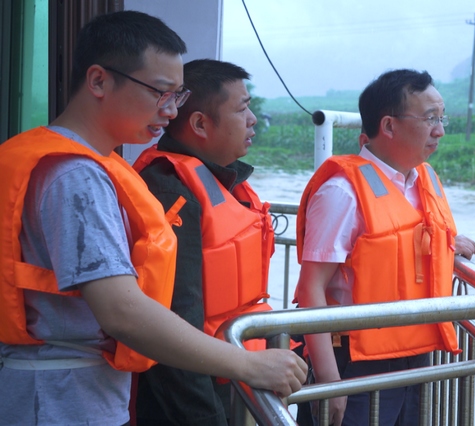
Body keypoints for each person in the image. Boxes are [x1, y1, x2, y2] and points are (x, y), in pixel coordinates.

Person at [0, 11, 306, 426]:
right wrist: (247, 365)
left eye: (178, 95)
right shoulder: (76, 175)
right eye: (160, 92)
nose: (170, 110)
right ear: (99, 81)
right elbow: (121, 311)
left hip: (78, 391)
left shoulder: (91, 163)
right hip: (59, 399)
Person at [294, 69, 475, 426]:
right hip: (356, 360)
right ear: (389, 126)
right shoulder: (342, 193)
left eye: (442, 118)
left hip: (415, 351)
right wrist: (330, 381)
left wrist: (447, 245)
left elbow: (404, 239)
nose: (439, 129)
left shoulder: (421, 178)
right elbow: (311, 288)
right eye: (429, 119)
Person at [132, 59, 276, 425]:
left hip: (236, 379)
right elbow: (175, 325)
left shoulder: (223, 182)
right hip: (196, 398)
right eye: (243, 108)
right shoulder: (169, 190)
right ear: (199, 123)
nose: (253, 119)